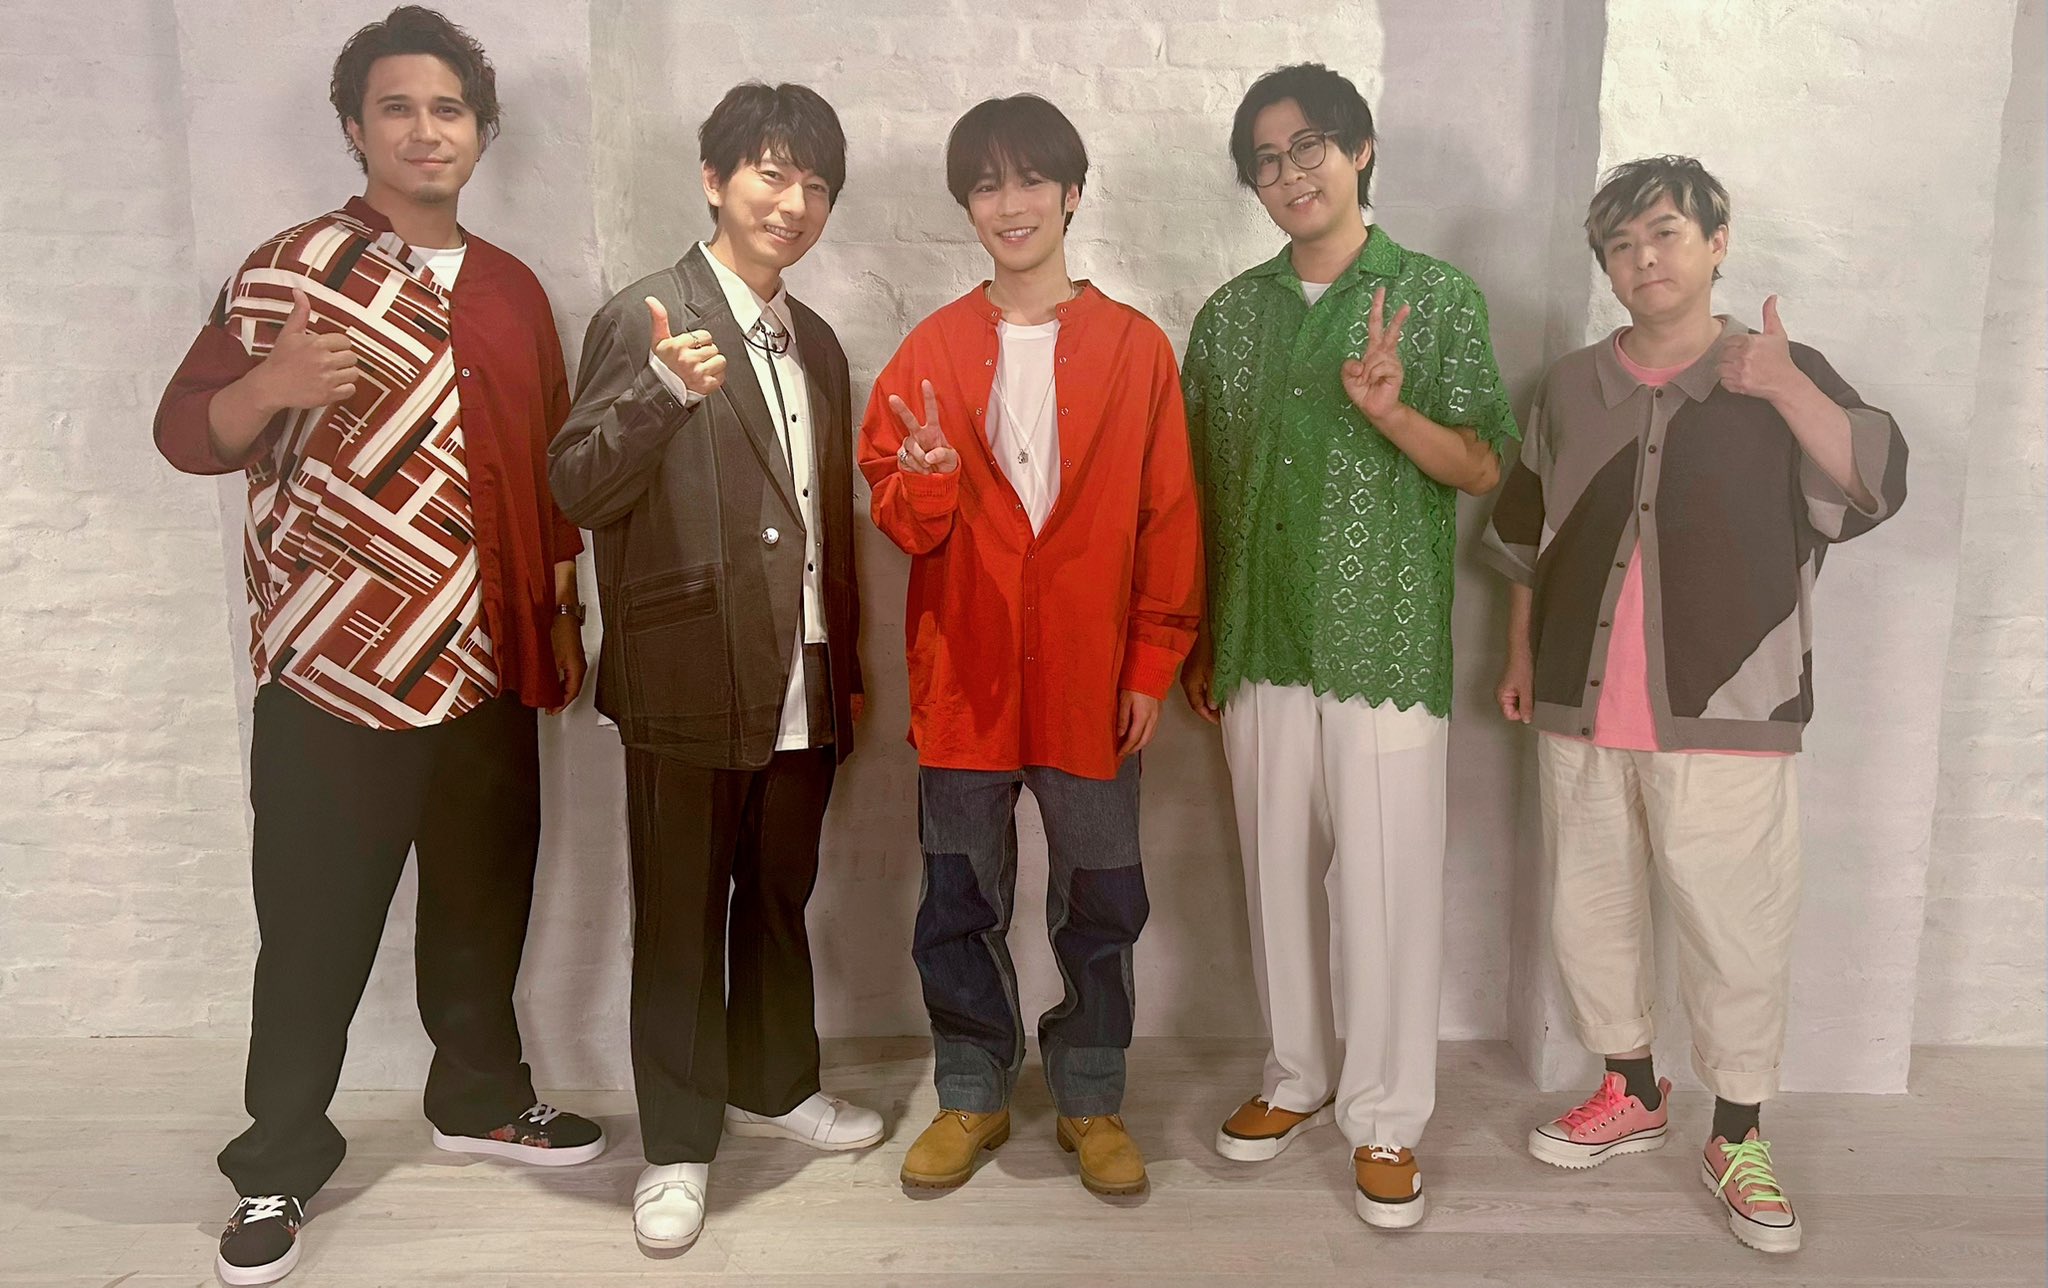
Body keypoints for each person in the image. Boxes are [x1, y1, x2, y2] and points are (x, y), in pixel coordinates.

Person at [152, 8, 600, 1283]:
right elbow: (184, 433)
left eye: (448, 108)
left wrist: (558, 617)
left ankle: (480, 1097)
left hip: (481, 661)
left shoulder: (511, 290)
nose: (424, 130)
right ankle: (279, 1157)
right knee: (311, 929)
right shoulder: (289, 271)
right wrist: (266, 386)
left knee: (482, 904)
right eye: (397, 107)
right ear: (354, 128)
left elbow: (550, 466)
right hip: (332, 668)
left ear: (481, 131)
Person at [1483, 154, 1908, 1255]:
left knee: (1736, 924)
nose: (1644, 258)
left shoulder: (1777, 370)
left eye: (1665, 233)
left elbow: (1873, 484)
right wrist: (1521, 656)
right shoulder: (1569, 387)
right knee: (1590, 908)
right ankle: (1629, 1088)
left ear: (1716, 243)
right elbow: (1525, 538)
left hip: (1732, 705)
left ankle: (1737, 1134)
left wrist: (1787, 386)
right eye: (1621, 245)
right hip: (1577, 702)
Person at [1180, 63, 1518, 1230]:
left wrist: (1390, 412)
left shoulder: (1432, 297)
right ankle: (1294, 1075)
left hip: (1382, 635)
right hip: (1256, 636)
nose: (1289, 175)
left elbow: (1483, 463)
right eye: (1265, 161)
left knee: (1383, 884)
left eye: (1309, 147)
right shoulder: (1228, 318)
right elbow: (1197, 493)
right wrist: (1201, 636)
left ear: (1360, 148)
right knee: (1272, 875)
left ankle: (1383, 1115)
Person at [548, 81, 879, 1253]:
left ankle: (773, 1085)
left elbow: (821, 523)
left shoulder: (815, 341)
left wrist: (845, 668)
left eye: (815, 186)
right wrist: (656, 392)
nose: (792, 204)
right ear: (713, 178)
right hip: (688, 673)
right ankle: (678, 1144)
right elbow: (575, 487)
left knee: (777, 896)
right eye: (771, 174)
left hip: (801, 672)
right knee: (681, 916)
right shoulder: (645, 316)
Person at [858, 94, 1202, 1199]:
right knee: (958, 896)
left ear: (1071, 193)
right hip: (963, 678)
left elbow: (1168, 518)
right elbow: (901, 520)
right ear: (967, 205)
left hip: (1092, 681)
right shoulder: (928, 350)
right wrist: (924, 481)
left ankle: (1091, 1095)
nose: (1010, 203)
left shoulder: (1136, 349)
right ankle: (973, 1090)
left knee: (1101, 898)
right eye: (986, 184)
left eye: (1030, 179)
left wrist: (1149, 665)